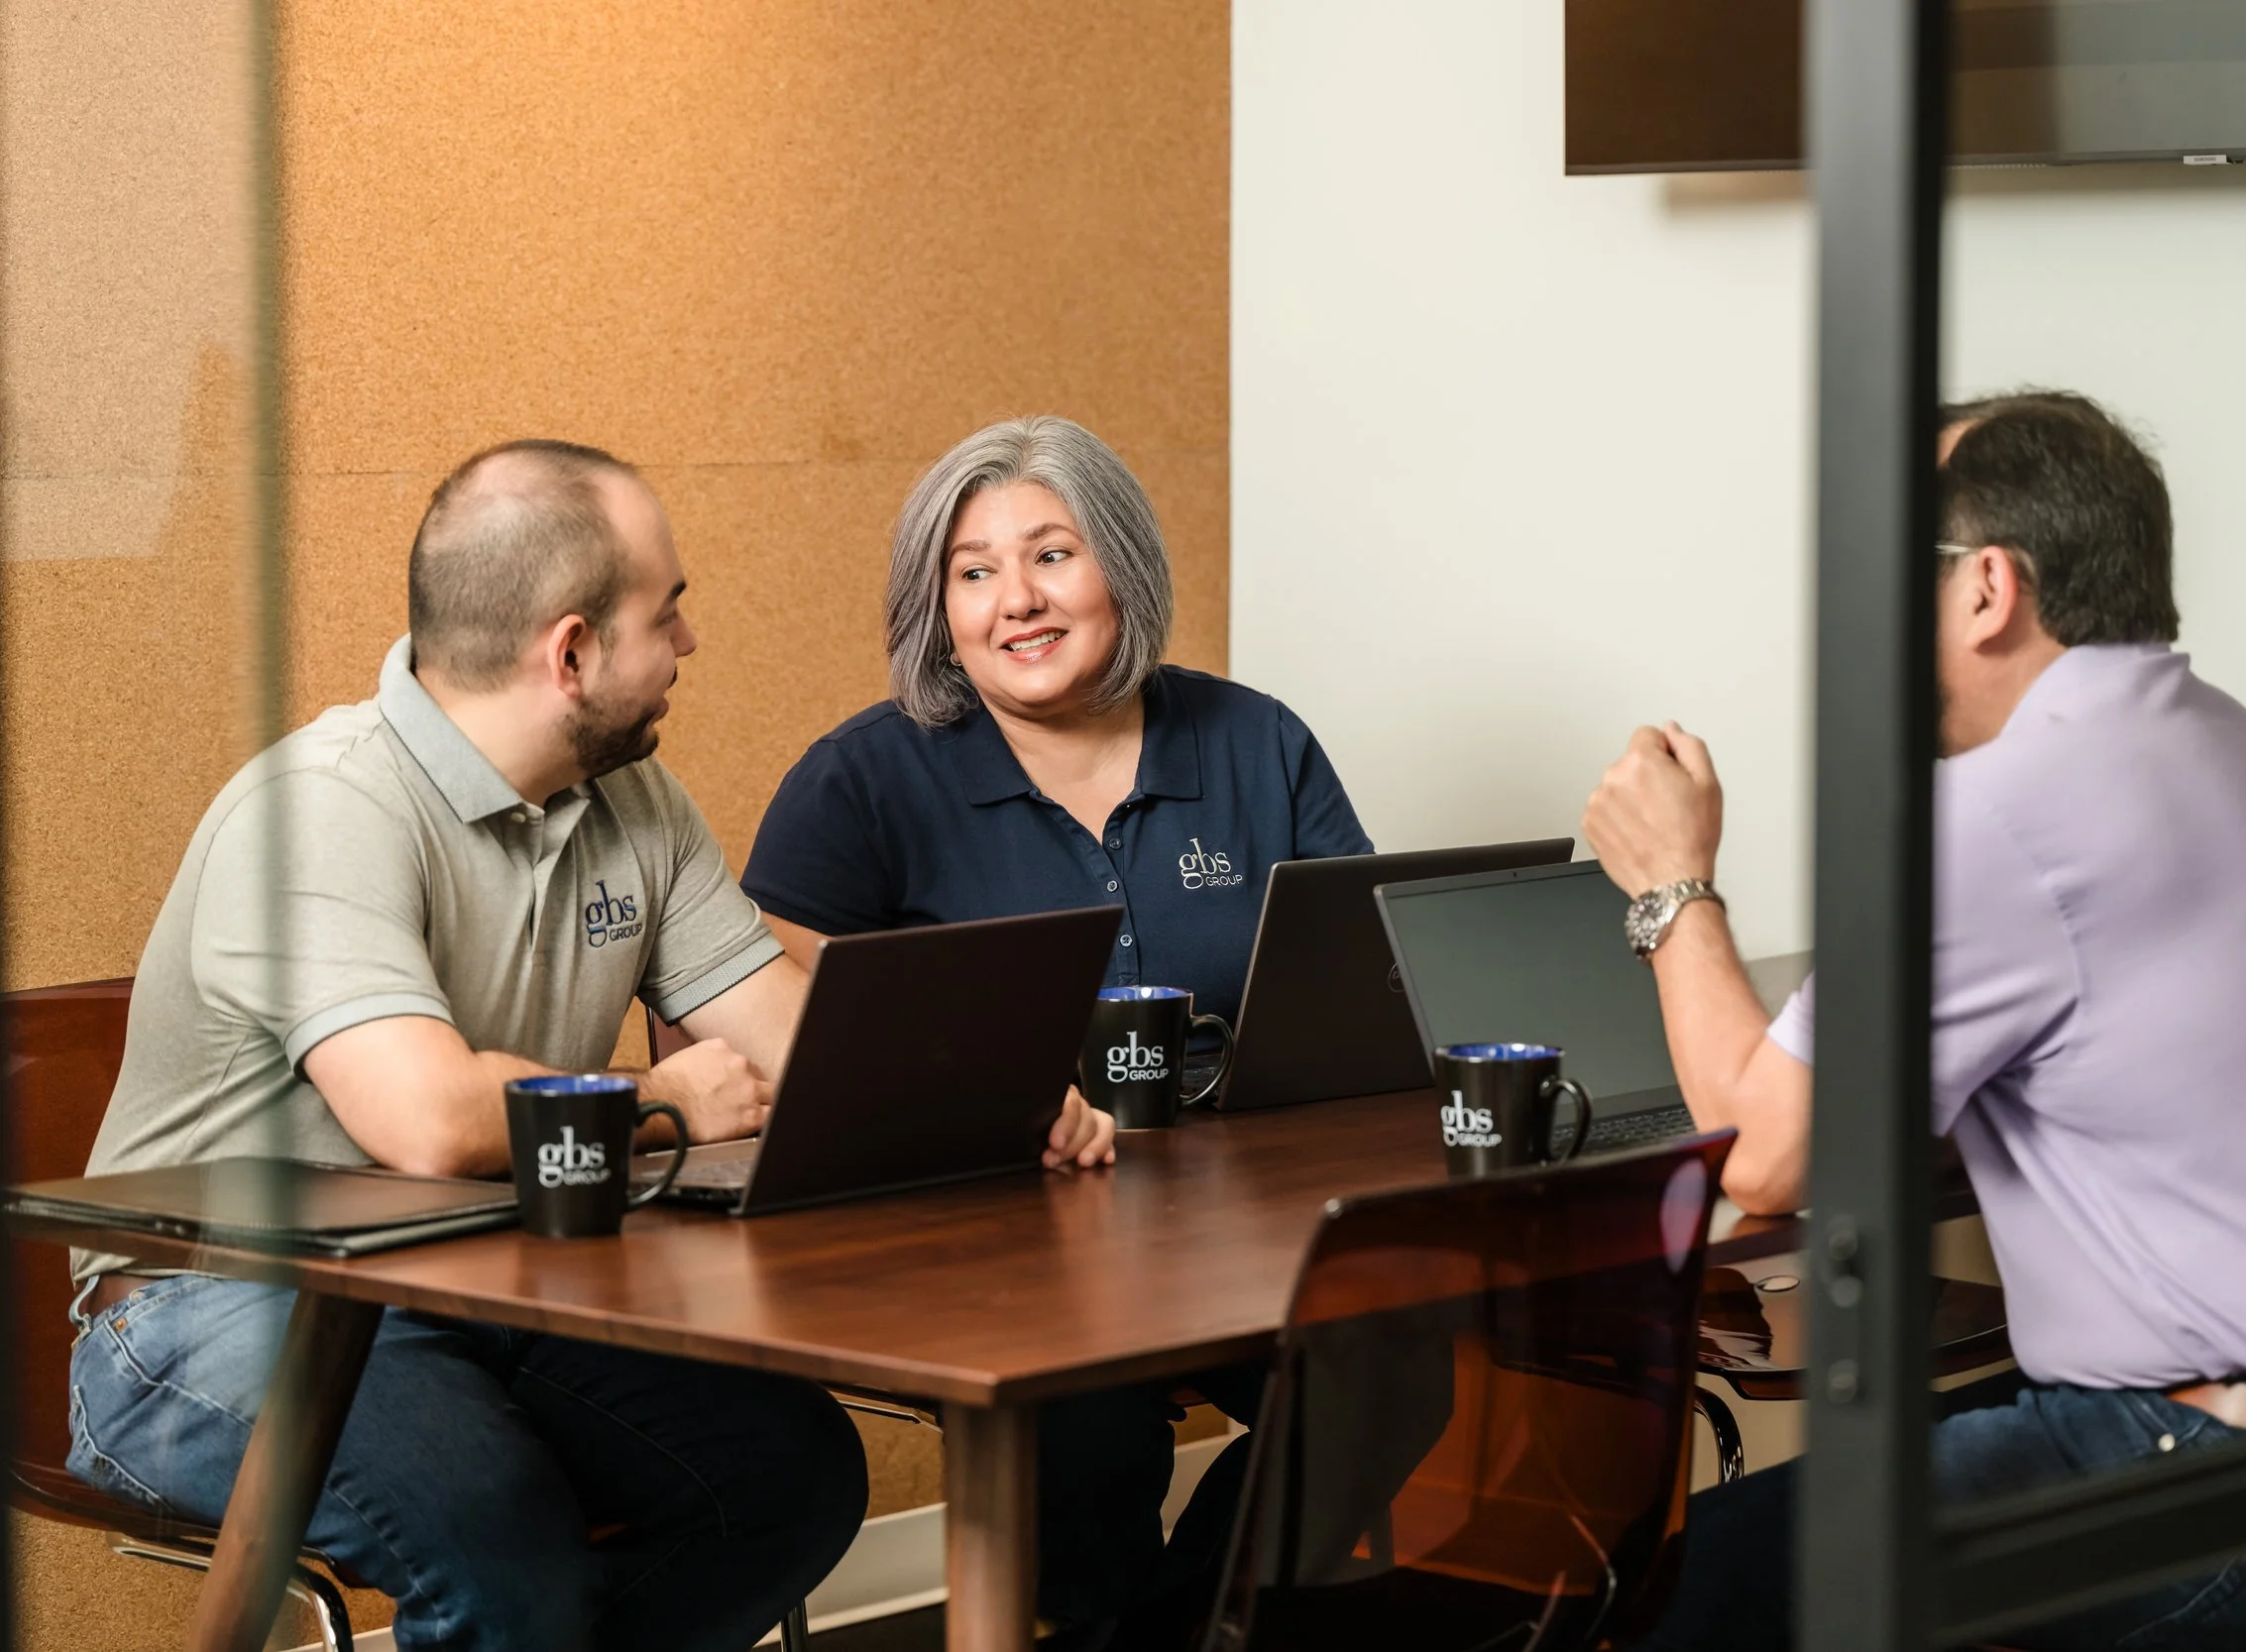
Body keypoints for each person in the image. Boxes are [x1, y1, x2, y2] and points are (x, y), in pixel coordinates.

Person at [1581, 391, 2246, 1652]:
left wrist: (1672, 888)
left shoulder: (2006, 812)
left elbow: (1768, 1158)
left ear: (1986, 587)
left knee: (1693, 1581)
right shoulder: (2222, 740)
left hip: (2211, 1485)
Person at [66, 440, 908, 1652]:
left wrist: (994, 1082)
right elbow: (433, 1120)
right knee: (501, 1547)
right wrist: (661, 1098)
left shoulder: (636, 800)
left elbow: (784, 1027)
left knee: (786, 1474)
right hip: (209, 1305)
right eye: (667, 612)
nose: (688, 644)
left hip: (475, 1284)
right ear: (569, 652)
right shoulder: (320, 809)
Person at [741, 414, 1373, 1647]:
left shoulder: (1256, 741)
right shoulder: (862, 780)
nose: (1014, 601)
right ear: (940, 605)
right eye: (972, 572)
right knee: (1090, 1411)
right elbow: (747, 1021)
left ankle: (1177, 1632)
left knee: (1385, 1369)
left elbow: (1362, 982)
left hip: (1237, 1216)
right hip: (988, 1230)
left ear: (1120, 568)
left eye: (1050, 555)